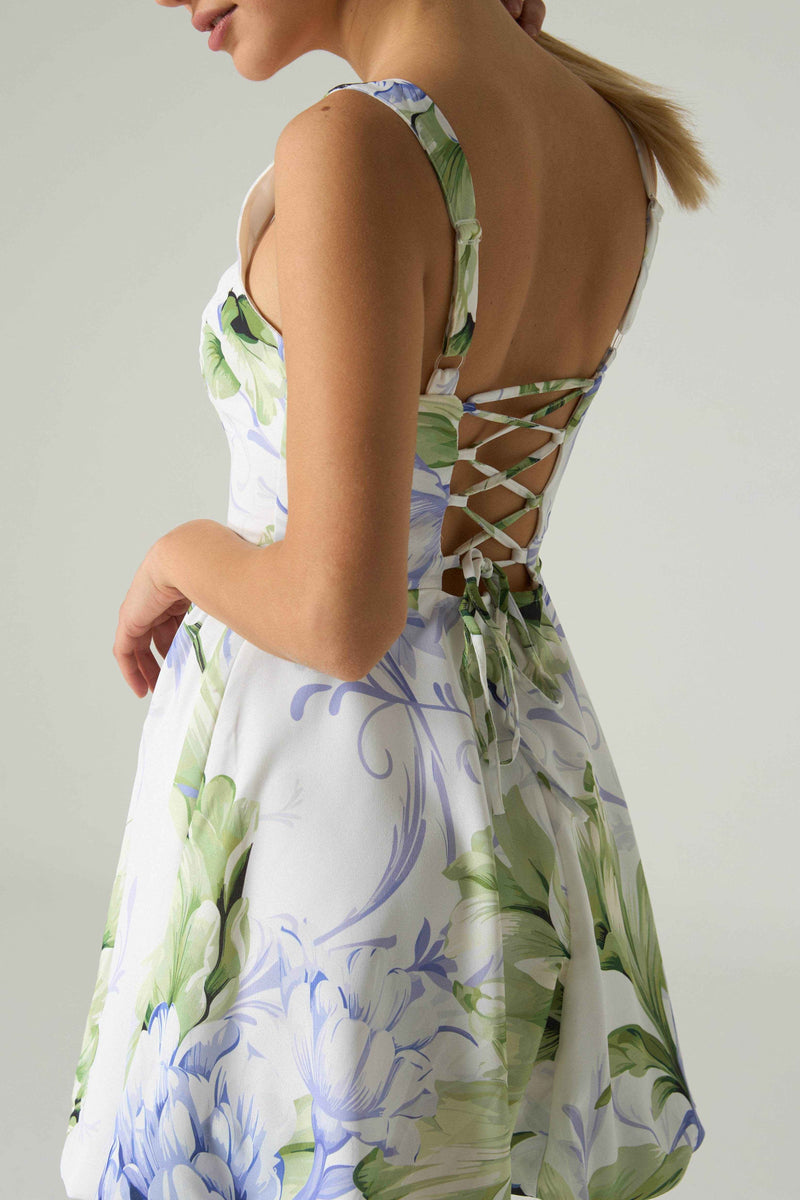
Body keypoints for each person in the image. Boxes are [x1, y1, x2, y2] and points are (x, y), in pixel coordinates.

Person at [60, 3, 717, 1199]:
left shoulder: (353, 149)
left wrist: (176, 552)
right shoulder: (605, 136)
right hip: (520, 779)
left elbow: (337, 614)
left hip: (340, 823)